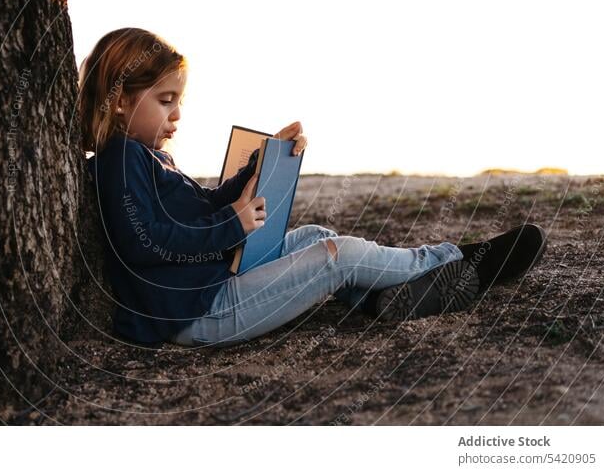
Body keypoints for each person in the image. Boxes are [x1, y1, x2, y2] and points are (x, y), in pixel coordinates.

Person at [79, 28, 548, 348]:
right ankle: (457, 261)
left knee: (314, 235)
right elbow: (147, 242)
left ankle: (382, 298)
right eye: (166, 101)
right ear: (120, 100)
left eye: (179, 101)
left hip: (208, 288)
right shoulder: (119, 160)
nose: (177, 115)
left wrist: (262, 164)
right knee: (333, 255)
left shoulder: (147, 157)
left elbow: (203, 206)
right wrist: (233, 224)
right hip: (196, 312)